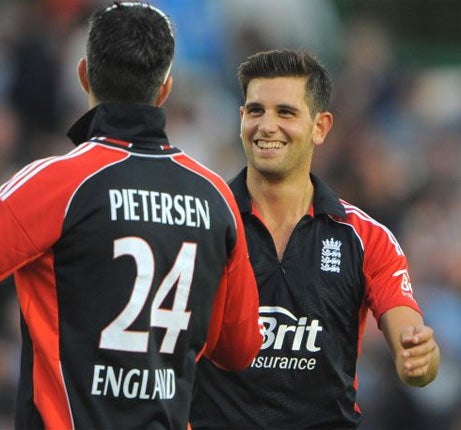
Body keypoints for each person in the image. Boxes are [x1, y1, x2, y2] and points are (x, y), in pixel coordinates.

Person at [0, 2, 263, 429]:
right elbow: (239, 348)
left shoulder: (55, 184)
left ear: (84, 74)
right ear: (165, 90)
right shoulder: (216, 198)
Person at [190, 48, 440, 429]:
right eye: (256, 111)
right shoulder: (201, 224)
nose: (266, 126)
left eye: (285, 112)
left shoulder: (366, 238)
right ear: (241, 118)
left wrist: (422, 357)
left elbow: (413, 351)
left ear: (320, 127)